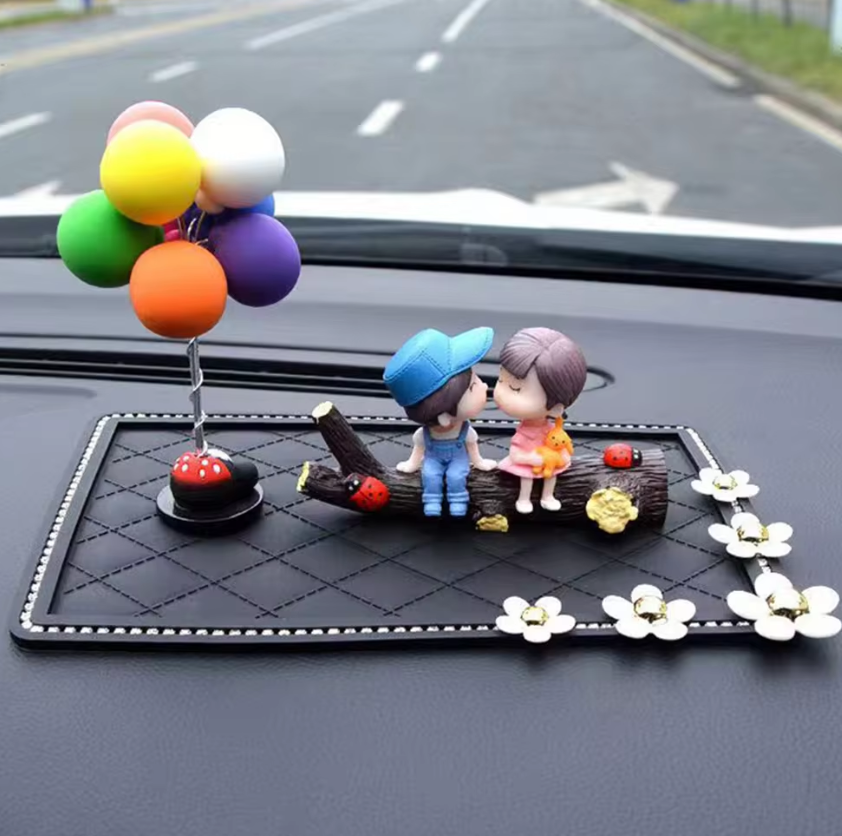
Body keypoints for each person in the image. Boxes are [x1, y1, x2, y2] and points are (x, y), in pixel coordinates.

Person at [383, 327, 497, 517]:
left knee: (456, 476)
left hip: (458, 460)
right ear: (443, 414)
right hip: (432, 459)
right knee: (430, 475)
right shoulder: (424, 435)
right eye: (473, 386)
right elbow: (418, 452)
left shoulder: (465, 431)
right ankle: (431, 502)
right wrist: (411, 465)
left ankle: (458, 501)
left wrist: (479, 462)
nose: (485, 386)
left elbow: (473, 450)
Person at [494, 327, 588, 514]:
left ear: (556, 407)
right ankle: (524, 498)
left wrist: (561, 457)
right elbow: (515, 454)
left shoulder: (553, 431)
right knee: (526, 478)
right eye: (500, 380)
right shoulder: (524, 432)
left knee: (551, 476)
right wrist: (532, 459)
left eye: (516, 388)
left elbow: (563, 448)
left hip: (549, 465)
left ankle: (548, 496)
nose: (500, 392)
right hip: (532, 463)